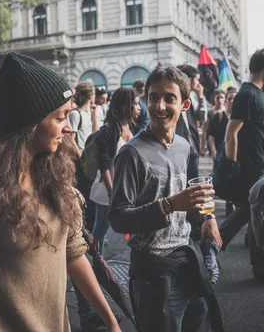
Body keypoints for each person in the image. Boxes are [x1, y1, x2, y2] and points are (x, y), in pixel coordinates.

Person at [0, 52, 120, 331]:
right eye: (60, 117)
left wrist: (112, 321)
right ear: (29, 124)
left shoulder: (53, 175)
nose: (68, 127)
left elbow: (73, 253)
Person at [108, 66, 222, 332]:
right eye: (152, 97)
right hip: (153, 271)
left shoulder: (183, 145)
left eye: (169, 98)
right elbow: (118, 219)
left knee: (199, 322)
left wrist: (208, 217)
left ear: (184, 104)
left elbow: (191, 194)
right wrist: (169, 206)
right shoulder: (131, 153)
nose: (159, 106)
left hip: (187, 257)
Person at [219, 48, 264, 286]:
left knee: (249, 213)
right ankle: (261, 268)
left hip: (260, 164)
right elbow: (231, 133)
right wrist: (233, 165)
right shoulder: (247, 94)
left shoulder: (258, 94)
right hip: (251, 167)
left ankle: (210, 247)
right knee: (256, 216)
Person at [88, 87, 139, 255]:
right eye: (135, 105)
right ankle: (97, 260)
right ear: (125, 107)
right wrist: (112, 193)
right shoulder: (109, 130)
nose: (139, 108)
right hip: (107, 189)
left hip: (124, 187)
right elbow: (104, 164)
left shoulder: (130, 126)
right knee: (101, 227)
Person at [176, 64, 208, 181]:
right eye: (197, 79)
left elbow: (202, 117)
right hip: (178, 150)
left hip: (192, 148)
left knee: (193, 181)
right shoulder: (176, 98)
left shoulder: (192, 97)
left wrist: (200, 97)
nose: (199, 83)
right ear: (189, 79)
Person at [69, 82, 96, 156]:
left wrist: (93, 113)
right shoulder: (75, 114)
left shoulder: (88, 113)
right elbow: (71, 139)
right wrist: (81, 157)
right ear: (90, 96)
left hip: (88, 154)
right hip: (79, 156)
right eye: (94, 94)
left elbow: (95, 132)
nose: (94, 96)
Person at [201, 89, 226, 160]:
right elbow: (204, 130)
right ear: (214, 99)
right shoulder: (209, 112)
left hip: (224, 140)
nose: (220, 100)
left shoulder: (227, 112)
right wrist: (203, 146)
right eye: (218, 98)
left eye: (222, 98)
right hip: (213, 141)